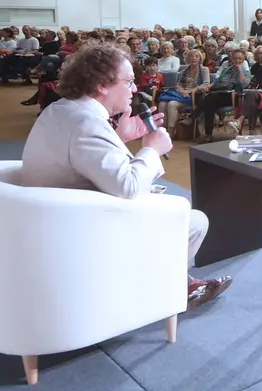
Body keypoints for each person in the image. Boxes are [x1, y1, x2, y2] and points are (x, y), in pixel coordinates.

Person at [20, 42, 231, 310]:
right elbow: (127, 186)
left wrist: (119, 137)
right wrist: (151, 149)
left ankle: (177, 283)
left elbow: (88, 162)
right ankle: (158, 291)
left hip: (53, 221)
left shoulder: (62, 110)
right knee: (194, 220)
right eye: (129, 82)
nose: (135, 89)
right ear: (102, 85)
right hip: (79, 234)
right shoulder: (87, 123)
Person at [194, 49, 248, 143]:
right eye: (235, 58)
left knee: (210, 98)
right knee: (209, 104)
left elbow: (243, 85)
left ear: (243, 60)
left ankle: (193, 117)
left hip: (233, 96)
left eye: (240, 59)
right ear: (231, 59)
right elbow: (217, 82)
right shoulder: (227, 70)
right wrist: (208, 87)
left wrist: (239, 70)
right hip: (219, 94)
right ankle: (208, 134)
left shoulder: (245, 71)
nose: (237, 61)